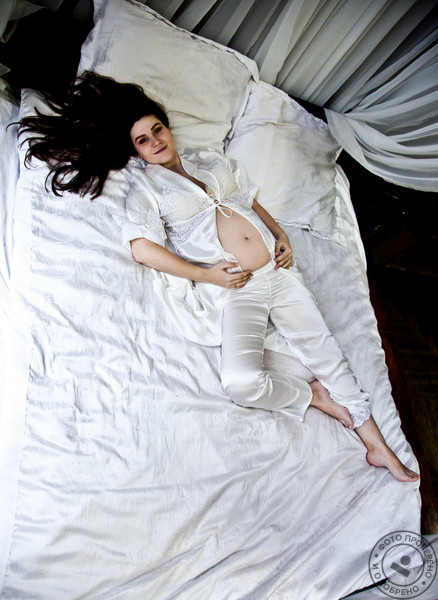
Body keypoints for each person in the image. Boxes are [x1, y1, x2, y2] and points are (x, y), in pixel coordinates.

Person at [18, 71, 419, 483]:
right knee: (242, 383)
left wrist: (280, 234)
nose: (155, 141)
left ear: (167, 127)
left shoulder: (208, 160)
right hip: (239, 285)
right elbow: (141, 248)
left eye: (157, 130)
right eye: (143, 140)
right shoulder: (147, 188)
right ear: (135, 150)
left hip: (279, 271)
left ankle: (378, 447)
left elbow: (249, 202)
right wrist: (205, 275)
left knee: (327, 354)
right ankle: (312, 395)